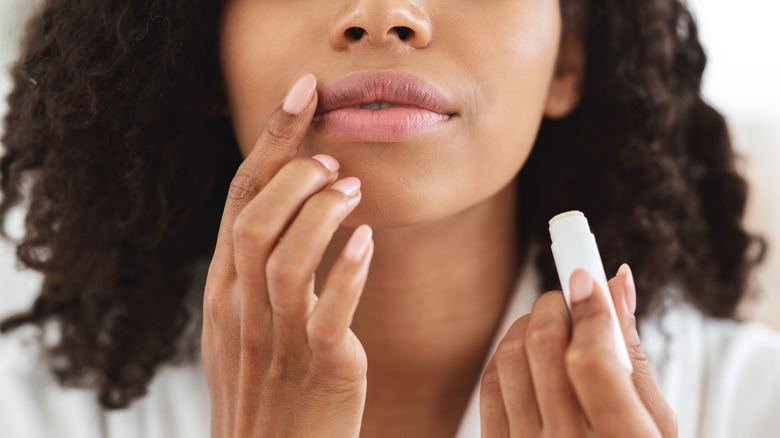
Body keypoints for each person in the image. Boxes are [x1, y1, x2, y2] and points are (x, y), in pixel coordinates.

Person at [1, 0, 779, 436]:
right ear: (201, 50)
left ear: (570, 59)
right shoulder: (26, 415)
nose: (383, 16)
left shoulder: (755, 406)